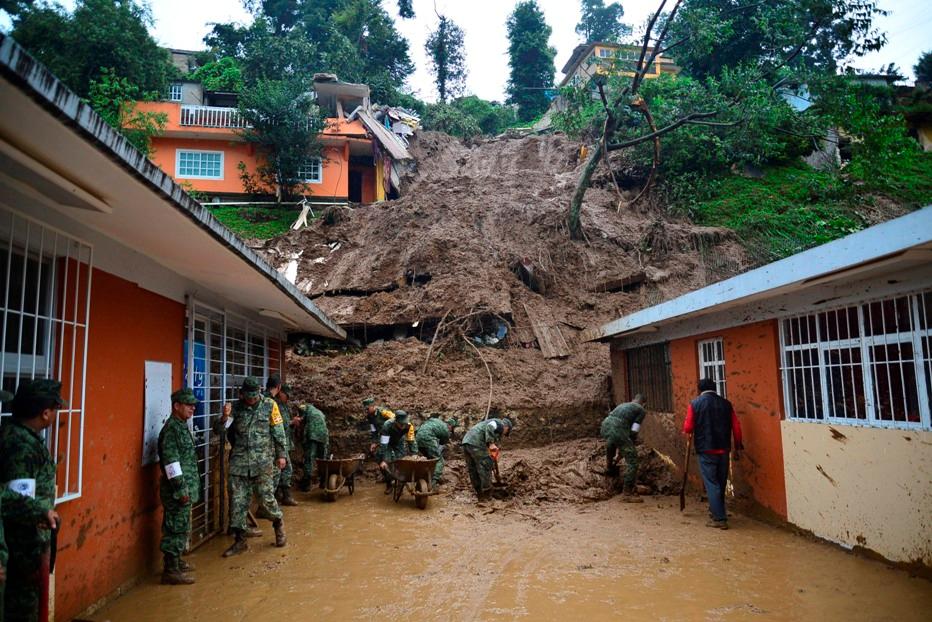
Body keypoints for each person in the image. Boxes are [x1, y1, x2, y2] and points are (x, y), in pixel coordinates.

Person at [0, 380, 62, 622]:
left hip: (27, 547)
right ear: (45, 413)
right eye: (55, 410)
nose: (56, 415)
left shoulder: (22, 436)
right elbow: (17, 501)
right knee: (23, 611)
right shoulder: (20, 445)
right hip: (23, 549)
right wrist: (40, 512)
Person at [217, 377, 288, 557]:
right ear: (242, 395)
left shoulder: (270, 405)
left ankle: (278, 524)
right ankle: (240, 540)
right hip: (239, 463)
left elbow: (278, 432)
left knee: (266, 499)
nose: (252, 400)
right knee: (238, 502)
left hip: (263, 461)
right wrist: (224, 417)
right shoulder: (236, 408)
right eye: (248, 397)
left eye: (254, 397)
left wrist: (281, 455)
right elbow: (219, 430)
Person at [683, 378, 744, 530]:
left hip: (706, 449)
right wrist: (737, 446)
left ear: (699, 389)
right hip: (724, 449)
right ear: (715, 388)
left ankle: (719, 518)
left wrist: (688, 431)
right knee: (721, 482)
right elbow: (736, 427)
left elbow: (688, 427)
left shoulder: (695, 404)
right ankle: (717, 510)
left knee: (711, 483)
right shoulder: (726, 404)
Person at [158, 388, 200, 585]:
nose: (193, 408)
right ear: (176, 406)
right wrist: (181, 489)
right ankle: (170, 569)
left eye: (193, 405)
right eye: (188, 404)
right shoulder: (171, 430)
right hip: (177, 491)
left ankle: (176, 561)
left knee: (181, 526)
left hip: (185, 488)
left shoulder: (181, 426)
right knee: (175, 527)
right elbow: (171, 463)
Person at [600, 394, 647, 503]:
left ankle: (609, 467)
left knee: (611, 442)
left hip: (605, 425)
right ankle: (627, 493)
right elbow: (634, 431)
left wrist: (619, 455)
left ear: (633, 400)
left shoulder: (624, 405)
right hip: (618, 429)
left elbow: (615, 438)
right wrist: (630, 444)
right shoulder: (641, 410)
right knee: (633, 461)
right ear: (644, 403)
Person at [461, 417, 513, 502]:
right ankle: (487, 494)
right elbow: (490, 426)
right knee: (486, 465)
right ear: (506, 428)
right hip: (476, 443)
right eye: (506, 433)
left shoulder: (488, 424)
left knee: (473, 469)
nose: (503, 435)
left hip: (467, 442)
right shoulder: (499, 423)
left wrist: (490, 450)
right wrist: (491, 443)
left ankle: (480, 494)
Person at [269, 380, 297, 507]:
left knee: (281, 470)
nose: (288, 398)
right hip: (276, 444)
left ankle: (278, 497)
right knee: (284, 469)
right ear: (280, 390)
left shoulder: (283, 405)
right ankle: (281, 497)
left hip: (282, 442)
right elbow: (280, 424)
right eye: (287, 395)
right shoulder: (273, 403)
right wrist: (292, 422)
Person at [376, 410, 417, 492]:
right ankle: (389, 484)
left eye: (404, 424)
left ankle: (400, 484)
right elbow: (384, 444)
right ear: (396, 421)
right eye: (401, 424)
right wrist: (384, 460)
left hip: (399, 441)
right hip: (387, 442)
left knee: (401, 461)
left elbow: (411, 440)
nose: (403, 426)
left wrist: (414, 453)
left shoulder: (409, 426)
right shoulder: (387, 425)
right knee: (383, 462)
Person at [415, 416, 457, 488]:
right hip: (428, 439)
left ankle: (425, 477)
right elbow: (442, 443)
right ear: (450, 426)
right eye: (451, 429)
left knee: (430, 460)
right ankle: (433, 482)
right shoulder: (446, 430)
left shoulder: (436, 421)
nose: (450, 431)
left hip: (418, 438)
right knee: (440, 461)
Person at [295, 403, 329, 492]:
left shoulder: (303, 407)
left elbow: (300, 419)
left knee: (309, 458)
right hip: (324, 436)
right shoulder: (320, 412)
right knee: (323, 460)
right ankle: (323, 482)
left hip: (312, 434)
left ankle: (307, 484)